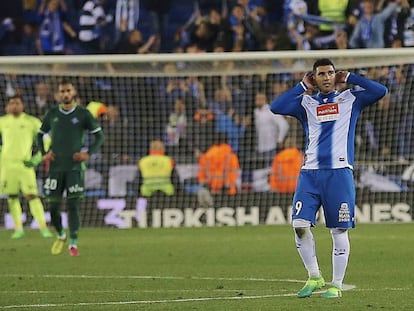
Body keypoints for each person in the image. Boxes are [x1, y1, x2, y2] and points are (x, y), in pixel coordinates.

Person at [270, 58, 388, 298]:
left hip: (339, 173)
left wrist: (351, 78)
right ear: (314, 77)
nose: (326, 77)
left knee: (338, 231)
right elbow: (276, 106)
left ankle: (336, 284)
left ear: (336, 75)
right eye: (321, 74)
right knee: (299, 225)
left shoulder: (351, 99)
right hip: (309, 173)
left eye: (330, 73)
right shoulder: (306, 103)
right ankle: (314, 276)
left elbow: (381, 91)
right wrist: (302, 86)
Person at [36, 79, 104, 256]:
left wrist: (87, 153)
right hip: (55, 168)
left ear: (73, 92)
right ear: (58, 94)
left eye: (68, 91)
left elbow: (99, 137)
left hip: (74, 168)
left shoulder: (83, 114)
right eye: (62, 91)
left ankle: (73, 243)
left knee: (73, 205)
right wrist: (45, 152)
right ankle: (60, 234)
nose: (65, 94)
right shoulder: (52, 114)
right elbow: (39, 135)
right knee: (52, 207)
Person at [0, 95, 53, 239]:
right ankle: (18, 229)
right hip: (7, 166)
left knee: (32, 196)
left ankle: (43, 228)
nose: (14, 106)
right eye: (12, 103)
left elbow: (47, 140)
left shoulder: (31, 121)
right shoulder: (2, 121)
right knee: (12, 197)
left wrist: (37, 158)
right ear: (7, 107)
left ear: (22, 106)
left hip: (25, 166)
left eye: (17, 103)